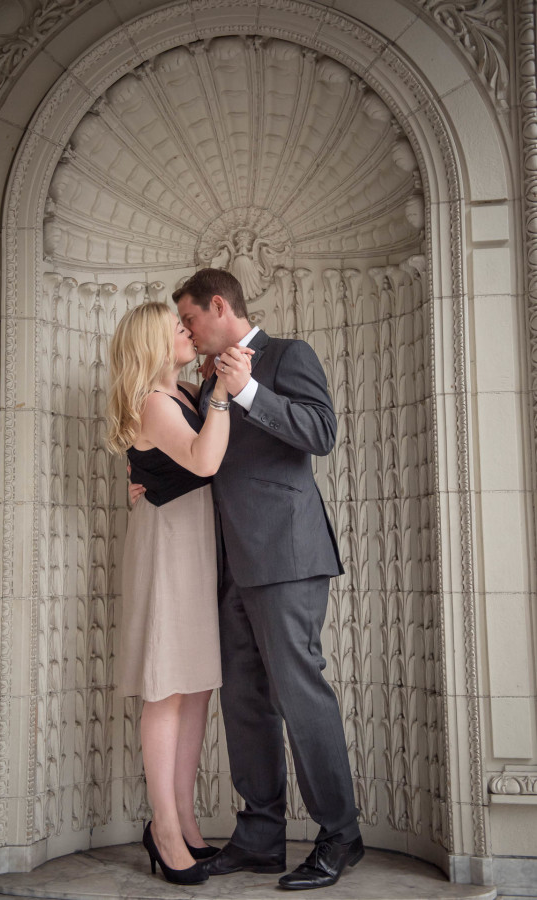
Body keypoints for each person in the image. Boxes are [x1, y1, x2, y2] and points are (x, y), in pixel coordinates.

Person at [130, 269, 364, 891]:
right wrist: (149, 480)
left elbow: (321, 433)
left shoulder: (288, 355)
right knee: (244, 702)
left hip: (288, 558)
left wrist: (251, 390)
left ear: (217, 306)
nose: (189, 333)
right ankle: (260, 835)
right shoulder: (200, 380)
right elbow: (201, 458)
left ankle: (340, 833)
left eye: (191, 320)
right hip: (225, 563)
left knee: (298, 694)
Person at [107, 300, 252, 886]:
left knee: (194, 688)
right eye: (176, 328)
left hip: (195, 546)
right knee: (166, 688)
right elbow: (205, 458)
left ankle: (187, 823)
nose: (187, 331)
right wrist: (221, 392)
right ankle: (163, 829)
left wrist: (211, 391)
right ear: (152, 343)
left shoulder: (185, 395)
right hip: (168, 548)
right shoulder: (155, 402)